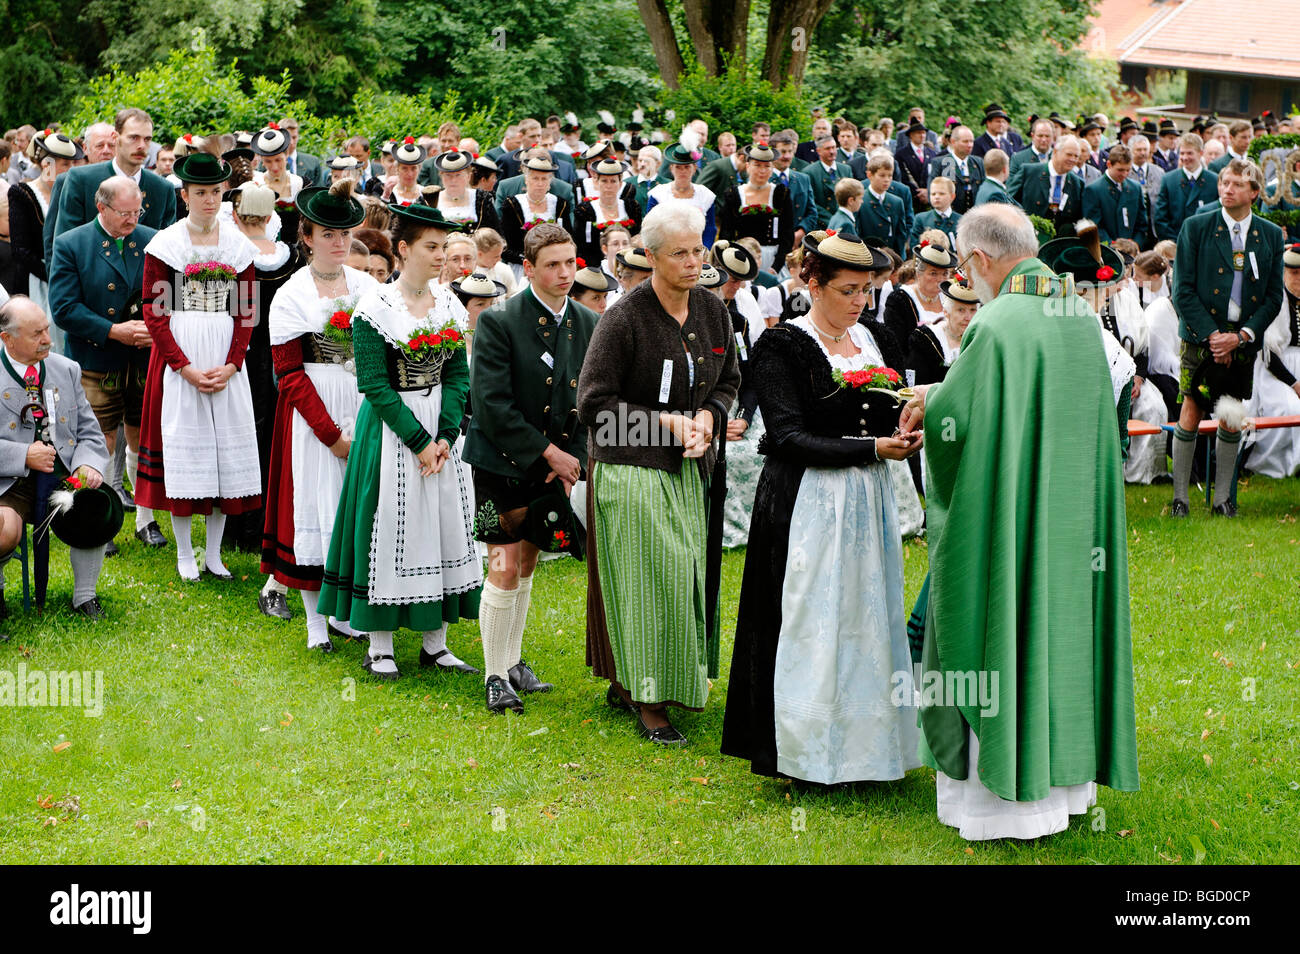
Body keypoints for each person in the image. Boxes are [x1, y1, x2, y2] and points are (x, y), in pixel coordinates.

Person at [900, 204, 1139, 840]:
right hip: (1070, 521)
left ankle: (996, 804)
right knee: (1058, 633)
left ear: (979, 260)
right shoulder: (1077, 314)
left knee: (1002, 620)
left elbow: (965, 423)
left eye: (963, 265)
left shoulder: (998, 323)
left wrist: (932, 401)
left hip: (1009, 518)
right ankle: (1061, 791)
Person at [720, 231, 924, 782]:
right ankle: (802, 751)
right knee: (811, 619)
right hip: (807, 500)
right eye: (848, 290)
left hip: (868, 497)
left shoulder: (876, 338)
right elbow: (785, 436)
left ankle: (865, 751)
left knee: (867, 614)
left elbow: (889, 411)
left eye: (866, 289)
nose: (859, 301)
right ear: (811, 284)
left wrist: (906, 428)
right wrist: (872, 447)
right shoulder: (782, 345)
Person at [578, 203, 739, 745]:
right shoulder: (623, 318)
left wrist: (708, 419)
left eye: (699, 250)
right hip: (631, 468)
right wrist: (664, 424)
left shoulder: (715, 312)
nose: (694, 262)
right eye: (681, 253)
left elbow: (728, 381)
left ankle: (637, 679)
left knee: (686, 576)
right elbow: (594, 407)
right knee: (653, 580)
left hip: (692, 471)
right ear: (649, 257)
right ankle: (648, 699)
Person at [317, 203, 482, 679]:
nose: (440, 257)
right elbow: (373, 383)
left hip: (439, 428)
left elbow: (457, 374)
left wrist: (446, 435)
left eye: (443, 247)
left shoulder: (449, 303)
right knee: (386, 522)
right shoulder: (374, 308)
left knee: (443, 520)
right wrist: (419, 440)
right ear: (405, 249)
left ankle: (436, 643)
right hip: (391, 429)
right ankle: (380, 645)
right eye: (432, 247)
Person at [463, 223, 597, 712]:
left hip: (554, 467)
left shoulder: (587, 321)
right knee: (501, 564)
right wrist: (549, 454)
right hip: (501, 461)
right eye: (553, 265)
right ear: (529, 268)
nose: (565, 273)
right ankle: (495, 676)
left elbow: (590, 400)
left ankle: (514, 660)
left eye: (571, 262)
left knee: (528, 561)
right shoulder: (500, 320)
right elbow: (490, 404)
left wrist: (574, 459)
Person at [260, 180, 378, 649]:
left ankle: (347, 613)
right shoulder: (291, 294)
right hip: (313, 410)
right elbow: (288, 374)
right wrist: (330, 434)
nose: (339, 242)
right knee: (314, 504)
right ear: (306, 236)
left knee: (357, 508)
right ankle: (314, 621)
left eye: (345, 232)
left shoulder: (370, 286)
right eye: (328, 233)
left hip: (364, 401)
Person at [136, 152, 263, 581]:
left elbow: (247, 310)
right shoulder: (166, 244)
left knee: (223, 450)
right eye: (201, 193)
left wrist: (232, 364)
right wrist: (182, 366)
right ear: (186, 195)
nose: (210, 200)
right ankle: (185, 552)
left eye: (216, 192)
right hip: (182, 350)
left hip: (224, 350)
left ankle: (214, 552)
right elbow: (154, 311)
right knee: (186, 448)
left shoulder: (237, 245)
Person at [47, 176, 163, 555]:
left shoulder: (151, 239)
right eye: (125, 213)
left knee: (143, 438)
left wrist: (152, 325)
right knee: (99, 440)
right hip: (97, 359)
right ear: (102, 207)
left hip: (143, 358)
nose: (133, 219)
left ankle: (146, 519)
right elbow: (64, 308)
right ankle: (100, 517)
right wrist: (113, 331)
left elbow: (165, 294)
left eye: (137, 211)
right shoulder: (71, 244)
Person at [1170, 160, 1284, 516]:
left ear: (1254, 192)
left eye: (1237, 184)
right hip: (1199, 336)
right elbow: (1182, 291)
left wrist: (1244, 336)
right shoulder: (1197, 227)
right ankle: (1180, 500)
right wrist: (1213, 336)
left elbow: (1272, 297)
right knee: (1190, 409)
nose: (1227, 189)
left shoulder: (1270, 235)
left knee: (1232, 414)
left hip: (1243, 340)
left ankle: (1222, 500)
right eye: (1224, 182)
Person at [0, 296, 112, 626]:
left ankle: (85, 596)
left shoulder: (66, 369)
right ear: (7, 338)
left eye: (47, 329)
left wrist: (88, 464)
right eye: (37, 334)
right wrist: (23, 455)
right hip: (10, 481)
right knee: (3, 528)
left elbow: (91, 433)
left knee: (95, 503)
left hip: (64, 476)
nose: (48, 339)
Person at [704, 242, 767, 549]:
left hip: (738, 408)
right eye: (730, 278)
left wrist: (743, 418)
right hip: (703, 412)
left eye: (741, 281)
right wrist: (717, 422)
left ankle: (761, 526)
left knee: (766, 448)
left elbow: (750, 378)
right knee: (727, 458)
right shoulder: (693, 316)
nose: (735, 285)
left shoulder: (739, 321)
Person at [9, 133, 83, 323]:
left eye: (73, 164)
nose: (71, 170)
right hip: (37, 280)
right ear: (46, 164)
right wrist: (55, 275)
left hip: (72, 280)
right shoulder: (22, 193)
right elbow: (20, 250)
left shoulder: (76, 194)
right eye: (65, 165)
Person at [1247, 244, 1300, 477]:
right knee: (1291, 407)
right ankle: (1279, 464)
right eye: (1294, 273)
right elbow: (1268, 354)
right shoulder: (1275, 301)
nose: (1298, 279)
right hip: (1276, 370)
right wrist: (1294, 383)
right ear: (1284, 273)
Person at [716, 142, 794, 273]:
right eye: (757, 165)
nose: (762, 171)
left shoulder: (781, 194)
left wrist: (776, 266)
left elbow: (787, 233)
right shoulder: (734, 195)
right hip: (741, 258)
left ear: (772, 168)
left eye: (767, 166)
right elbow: (727, 232)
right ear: (748, 166)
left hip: (773, 259)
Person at [499, 153, 574, 268]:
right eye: (535, 178)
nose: (540, 184)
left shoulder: (560, 204)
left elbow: (568, 237)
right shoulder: (512, 205)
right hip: (522, 265)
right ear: (526, 180)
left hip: (554, 264)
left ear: (550, 183)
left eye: (544, 179)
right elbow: (507, 244)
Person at [645, 140, 717, 248]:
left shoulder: (705, 195)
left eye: (687, 167)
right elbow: (650, 227)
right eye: (678, 167)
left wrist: (704, 250)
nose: (682, 171)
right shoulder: (658, 194)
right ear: (671, 168)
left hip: (697, 249)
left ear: (694, 168)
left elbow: (710, 228)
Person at [1008, 135, 1085, 236]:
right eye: (1069, 154)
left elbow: (1077, 218)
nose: (1073, 159)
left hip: (1057, 244)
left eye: (1076, 156)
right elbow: (1009, 201)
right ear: (1055, 152)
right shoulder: (1029, 172)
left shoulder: (1077, 183)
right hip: (1026, 237)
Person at [908, 275, 978, 385]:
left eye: (973, 310)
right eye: (961, 310)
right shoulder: (926, 339)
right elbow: (918, 384)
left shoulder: (981, 339)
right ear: (946, 312)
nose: (968, 317)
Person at [573, 156, 642, 265]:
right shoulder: (585, 210)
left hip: (628, 264)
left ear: (620, 184)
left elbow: (637, 235)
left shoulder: (631, 207)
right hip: (596, 267)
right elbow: (581, 245)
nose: (608, 186)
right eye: (604, 181)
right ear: (597, 182)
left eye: (613, 181)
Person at [883, 242, 953, 347]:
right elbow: (897, 346)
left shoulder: (950, 298)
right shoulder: (899, 300)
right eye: (933, 273)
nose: (940, 279)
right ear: (918, 274)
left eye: (945, 274)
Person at [1154, 134, 1218, 243]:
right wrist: (1176, 242)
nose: (1185, 157)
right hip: (1176, 243)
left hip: (1206, 243)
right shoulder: (1169, 180)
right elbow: (1160, 218)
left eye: (1189, 153)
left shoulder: (1214, 180)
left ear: (1200, 153)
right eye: (1182, 153)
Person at [1081, 144, 1148, 247]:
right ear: (1109, 164)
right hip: (1108, 250)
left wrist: (1135, 244)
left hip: (1132, 250)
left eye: (1128, 170)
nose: (1124, 174)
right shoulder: (1094, 190)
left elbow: (1142, 223)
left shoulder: (1135, 188)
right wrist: (1113, 246)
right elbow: (1094, 226)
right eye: (1120, 170)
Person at [425, 149, 500, 233]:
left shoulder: (482, 199)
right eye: (448, 175)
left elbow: (494, 232)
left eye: (458, 175)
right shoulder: (430, 200)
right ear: (441, 177)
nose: (453, 180)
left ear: (468, 176)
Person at [855, 154, 907, 257]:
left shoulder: (896, 202)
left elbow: (900, 235)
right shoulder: (860, 200)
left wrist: (900, 258)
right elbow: (857, 232)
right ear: (869, 175)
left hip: (890, 257)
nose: (887, 180)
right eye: (882, 175)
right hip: (868, 255)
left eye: (890, 175)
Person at [927, 126, 984, 214]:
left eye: (971, 141)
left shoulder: (977, 162)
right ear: (953, 142)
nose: (970, 145)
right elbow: (932, 192)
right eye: (965, 141)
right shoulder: (945, 162)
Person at [805, 136, 852, 229]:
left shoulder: (846, 169)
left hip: (844, 223)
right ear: (818, 151)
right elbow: (811, 203)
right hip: (821, 226)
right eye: (827, 148)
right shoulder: (809, 172)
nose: (832, 151)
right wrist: (832, 220)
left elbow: (852, 195)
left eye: (834, 147)